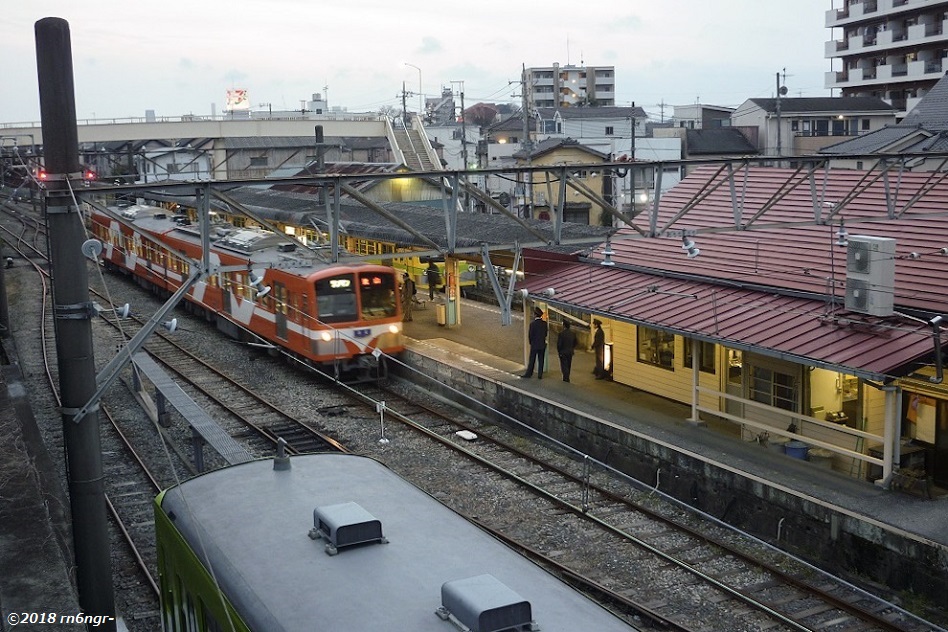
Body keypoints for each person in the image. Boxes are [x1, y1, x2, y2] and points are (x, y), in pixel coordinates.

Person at [521, 307, 549, 379]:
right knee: (541, 360)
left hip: (534, 344)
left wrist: (531, 342)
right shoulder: (545, 324)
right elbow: (546, 334)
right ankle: (540, 375)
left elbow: (530, 335)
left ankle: (529, 374)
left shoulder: (532, 324)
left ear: (535, 315)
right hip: (542, 344)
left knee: (532, 360)